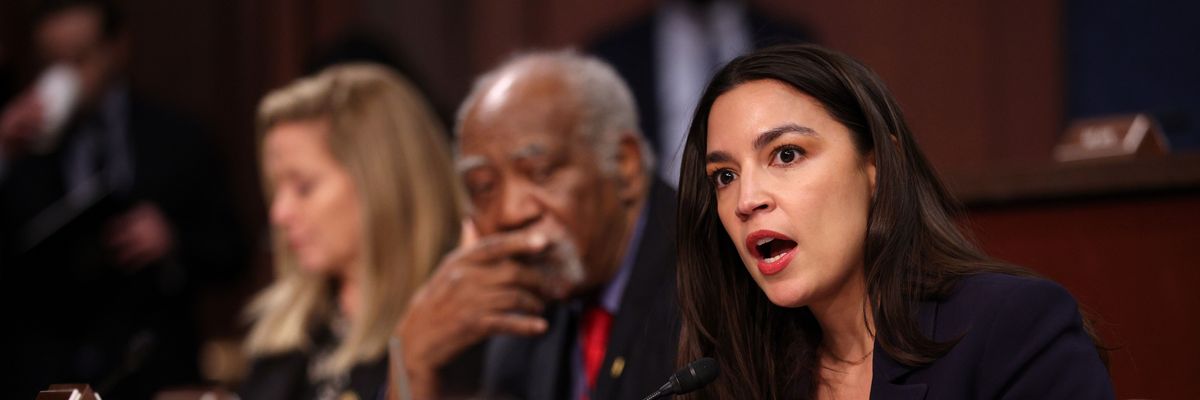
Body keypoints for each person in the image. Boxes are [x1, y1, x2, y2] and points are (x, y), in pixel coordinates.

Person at [675, 44, 1114, 399]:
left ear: (878, 166)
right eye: (725, 176)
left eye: (787, 154)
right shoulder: (731, 376)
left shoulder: (1012, 328)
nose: (746, 200)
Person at [392, 50, 679, 400]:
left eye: (540, 173)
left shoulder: (713, 284)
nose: (511, 213)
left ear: (623, 165)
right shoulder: (518, 320)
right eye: (483, 187)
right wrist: (410, 362)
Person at [0, 1, 245, 397]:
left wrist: (174, 240)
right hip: (47, 378)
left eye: (80, 57)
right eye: (52, 62)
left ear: (117, 47)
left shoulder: (179, 136)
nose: (68, 74)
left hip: (153, 369)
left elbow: (233, 250)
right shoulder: (18, 148)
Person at [240, 63, 464, 400]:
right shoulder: (290, 327)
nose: (279, 213)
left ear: (382, 183)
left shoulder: (458, 323)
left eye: (303, 187)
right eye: (277, 189)